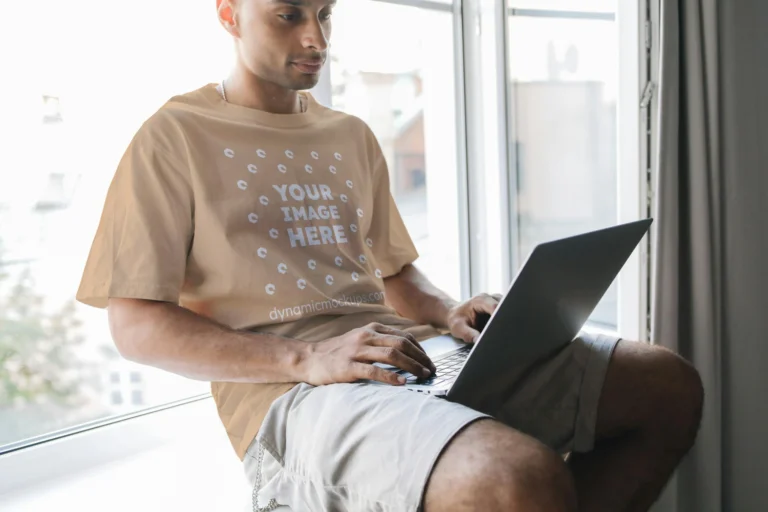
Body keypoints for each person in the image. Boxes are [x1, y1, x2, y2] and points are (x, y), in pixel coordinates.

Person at [76, 0, 704, 510]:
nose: (315, 37)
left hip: (406, 354)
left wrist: (449, 310)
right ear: (229, 13)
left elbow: (395, 273)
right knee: (517, 478)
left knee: (666, 387)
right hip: (291, 395)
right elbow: (136, 325)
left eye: (326, 13)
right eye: (289, 14)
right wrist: (310, 356)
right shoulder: (173, 137)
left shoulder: (348, 134)